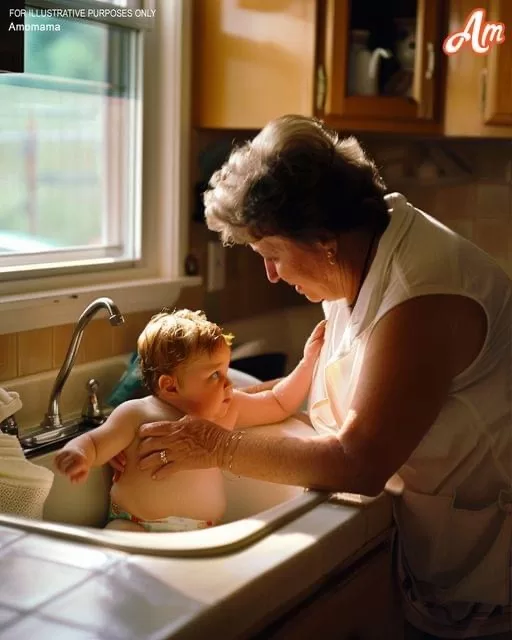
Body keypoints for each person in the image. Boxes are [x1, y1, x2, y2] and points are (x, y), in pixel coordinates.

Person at [133, 115, 512, 639]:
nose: (270, 273)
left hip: (491, 574)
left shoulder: (423, 296)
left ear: (322, 240)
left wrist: (216, 446)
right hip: (438, 548)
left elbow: (359, 462)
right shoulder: (359, 255)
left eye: (271, 255)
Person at [54, 308, 325, 533]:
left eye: (225, 370)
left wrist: (308, 362)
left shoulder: (227, 410)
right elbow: (95, 442)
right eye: (215, 375)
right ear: (170, 387)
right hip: (136, 526)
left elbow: (278, 402)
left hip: (202, 532)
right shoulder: (136, 414)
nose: (229, 383)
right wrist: (78, 454)